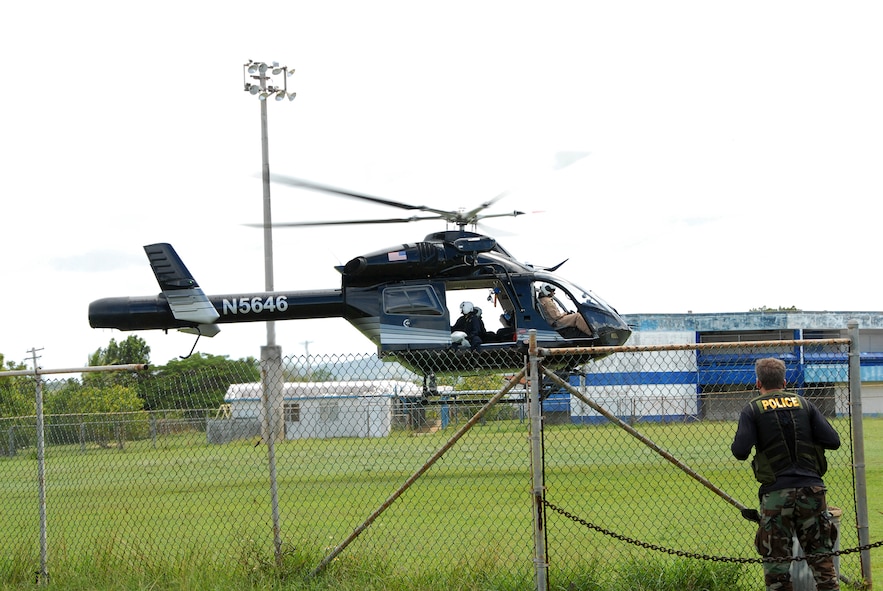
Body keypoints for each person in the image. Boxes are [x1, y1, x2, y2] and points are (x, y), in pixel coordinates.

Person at [731, 357, 841, 591]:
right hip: (812, 492)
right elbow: (833, 441)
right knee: (822, 562)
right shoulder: (804, 404)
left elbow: (740, 451)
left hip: (776, 495)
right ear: (785, 381)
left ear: (758, 382)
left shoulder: (752, 409)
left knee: (777, 568)